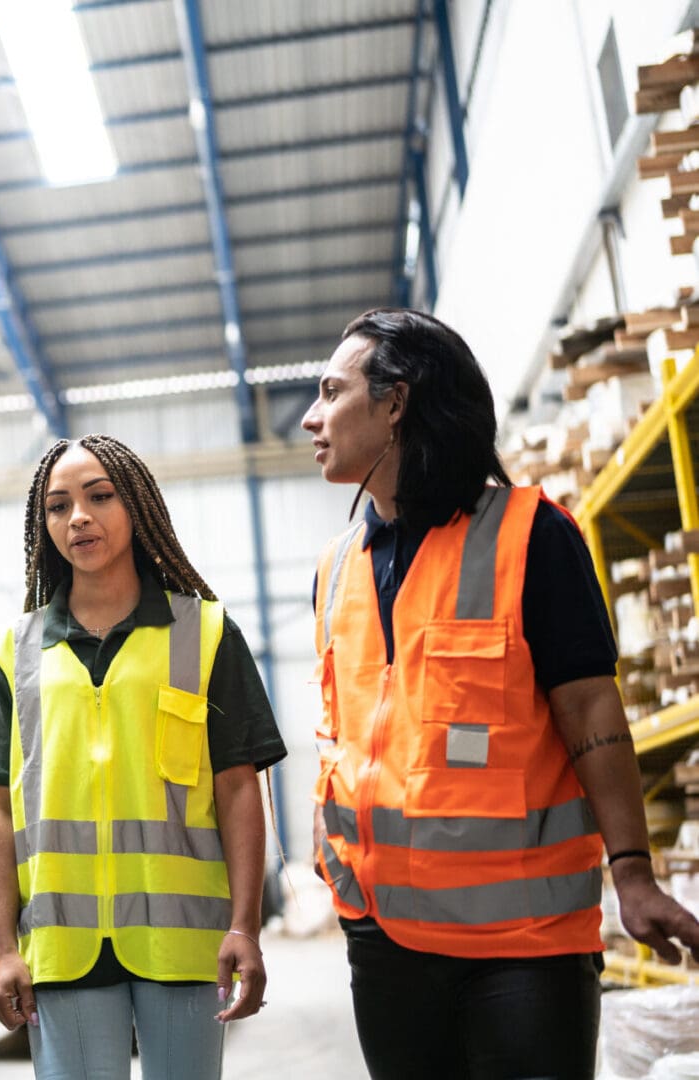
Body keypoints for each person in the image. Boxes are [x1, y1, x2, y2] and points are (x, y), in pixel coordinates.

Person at [303, 307, 699, 1079]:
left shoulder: (533, 537)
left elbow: (590, 710)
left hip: (524, 948)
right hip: (384, 942)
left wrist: (633, 872)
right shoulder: (335, 568)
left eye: (330, 391)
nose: (313, 418)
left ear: (395, 402)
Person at [0, 434, 284, 1080]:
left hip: (183, 943)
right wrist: (2, 949)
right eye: (57, 506)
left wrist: (245, 927)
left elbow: (239, 789)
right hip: (63, 947)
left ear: (136, 506)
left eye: (99, 496)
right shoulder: (13, 652)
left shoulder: (207, 633)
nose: (77, 517)